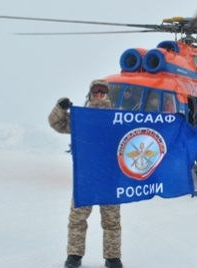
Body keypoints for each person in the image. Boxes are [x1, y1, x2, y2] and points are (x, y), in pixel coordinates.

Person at [48, 79, 123, 268]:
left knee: (112, 220)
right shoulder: (81, 118)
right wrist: (61, 107)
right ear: (90, 94)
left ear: (107, 94)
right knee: (77, 219)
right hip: (86, 177)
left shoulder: (118, 117)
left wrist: (171, 121)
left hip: (110, 177)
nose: (98, 95)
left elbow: (144, 128)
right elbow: (56, 123)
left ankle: (112, 257)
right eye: (95, 91)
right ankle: (74, 255)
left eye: (102, 91)